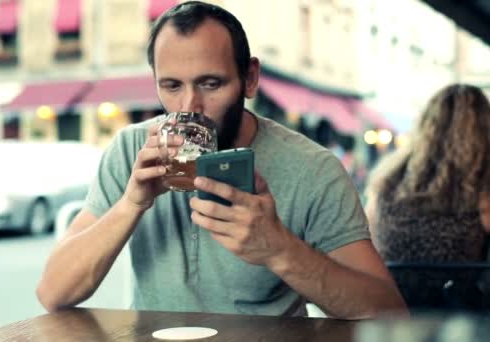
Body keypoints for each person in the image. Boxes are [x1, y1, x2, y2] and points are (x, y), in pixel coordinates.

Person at [37, 1, 406, 318]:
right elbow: (53, 292)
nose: (189, 107)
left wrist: (281, 250)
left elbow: (388, 310)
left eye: (210, 84)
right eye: (171, 86)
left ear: (249, 79)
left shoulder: (313, 170)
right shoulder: (131, 149)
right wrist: (132, 203)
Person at [365, 84, 490, 307]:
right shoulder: (481, 186)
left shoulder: (387, 181)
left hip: (391, 309)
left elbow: (368, 241)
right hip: (459, 316)